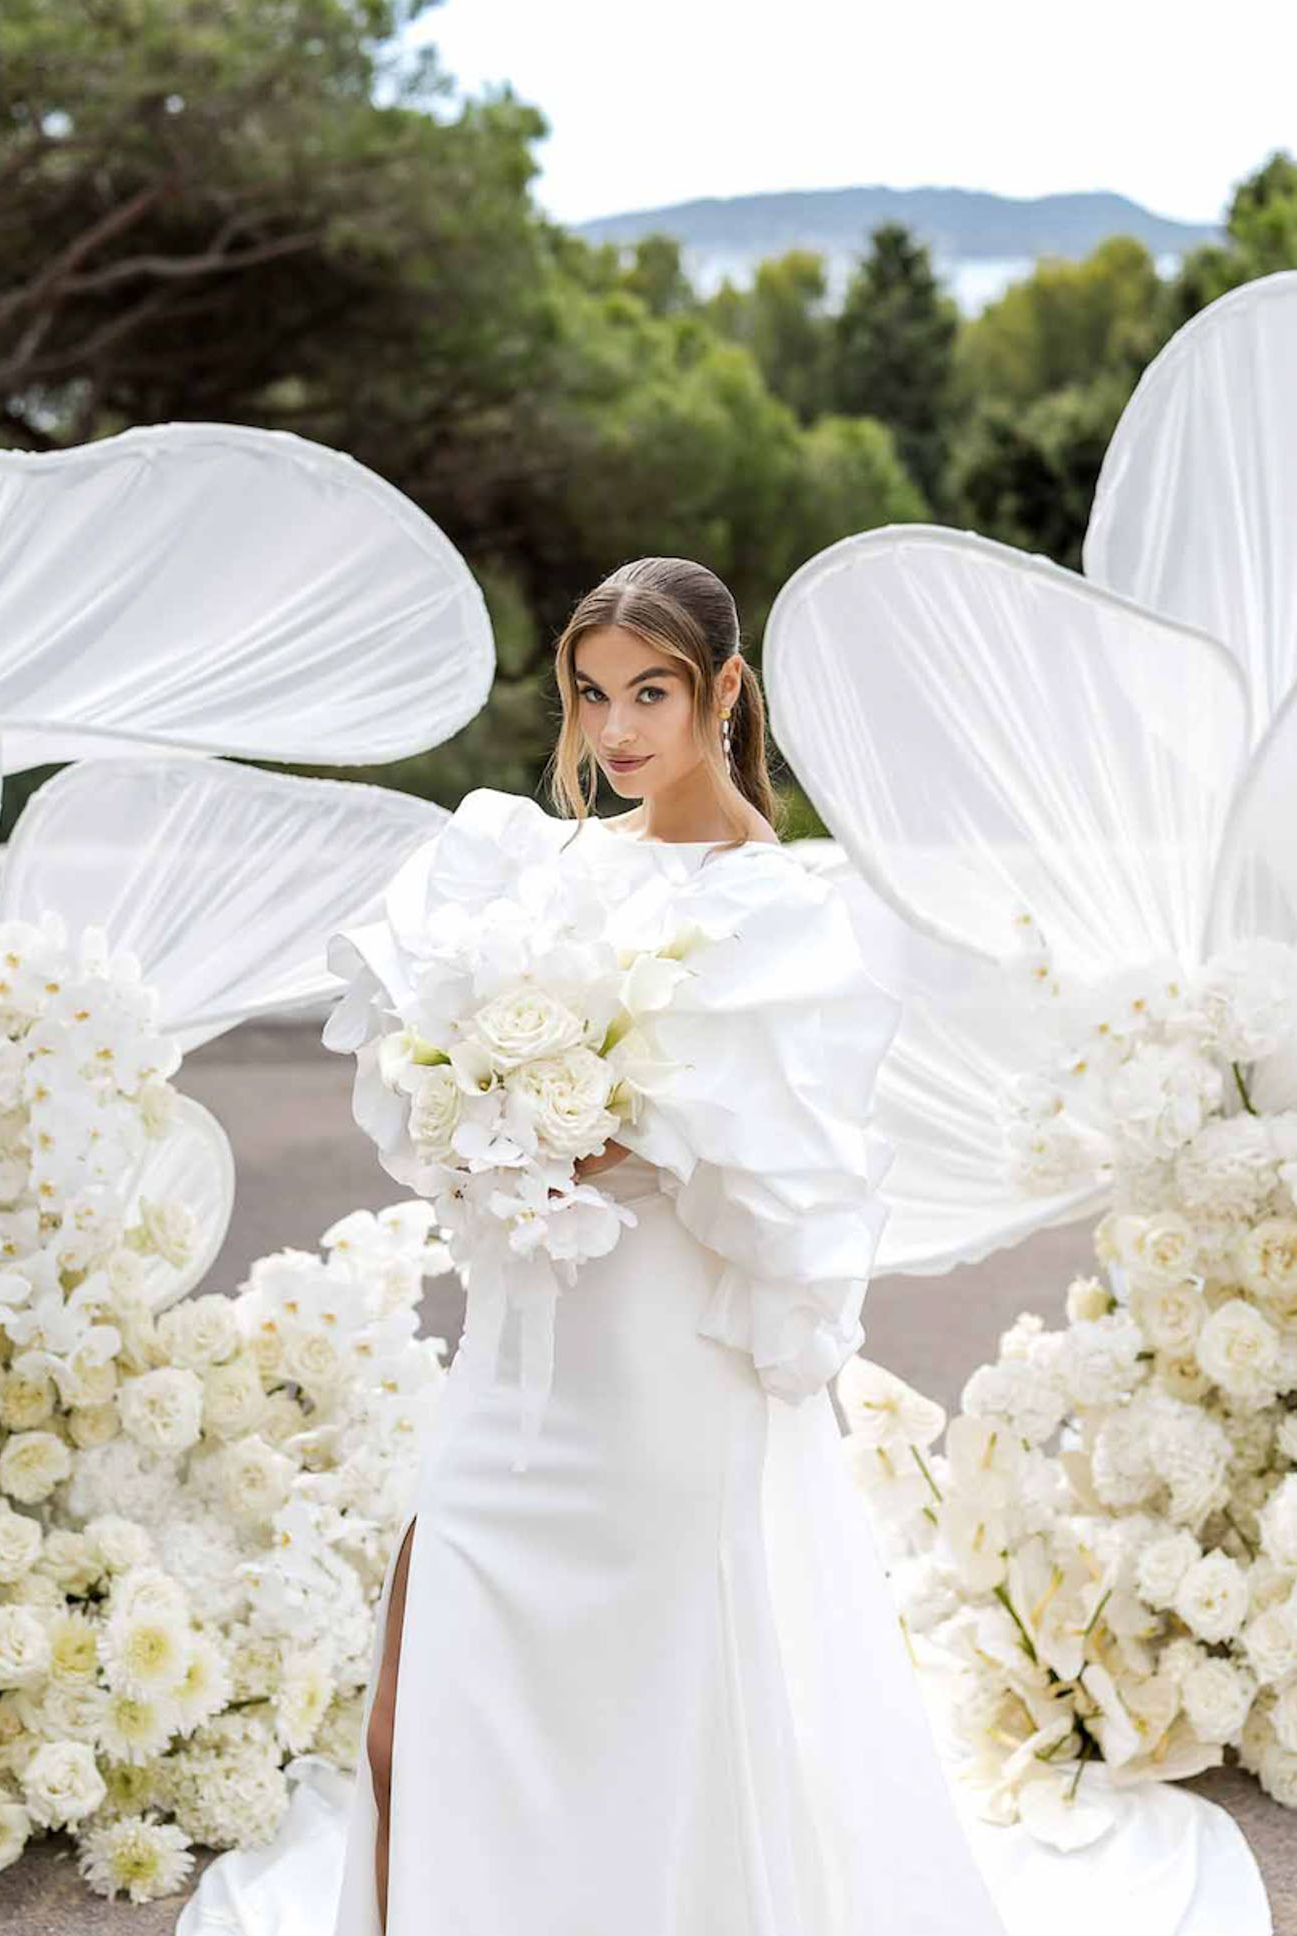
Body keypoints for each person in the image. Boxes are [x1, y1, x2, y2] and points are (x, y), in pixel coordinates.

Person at [324, 554, 1011, 1934]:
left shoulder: (773, 900)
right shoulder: (548, 868)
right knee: (410, 1717)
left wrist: (612, 1125)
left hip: (656, 1370)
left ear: (723, 693)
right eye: (592, 697)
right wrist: (475, 1107)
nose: (619, 729)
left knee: (646, 1720)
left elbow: (783, 1149)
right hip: (522, 1357)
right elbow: (429, 1067)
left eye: (652, 692)